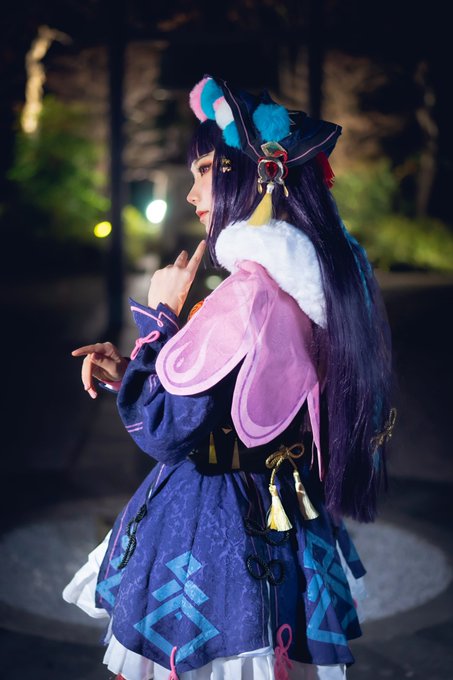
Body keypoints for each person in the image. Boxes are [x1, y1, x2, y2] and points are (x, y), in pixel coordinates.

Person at [63, 75, 395, 680]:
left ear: (255, 176)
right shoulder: (328, 280)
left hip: (215, 522)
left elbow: (166, 428)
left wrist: (160, 319)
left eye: (204, 170)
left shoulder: (248, 294)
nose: (193, 192)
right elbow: (231, 397)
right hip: (287, 510)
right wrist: (133, 373)